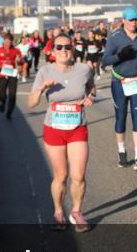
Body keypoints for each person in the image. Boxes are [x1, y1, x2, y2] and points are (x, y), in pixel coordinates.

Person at [28, 33, 96, 232]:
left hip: (77, 128)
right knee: (61, 175)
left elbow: (92, 87)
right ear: (52, 50)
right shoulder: (45, 71)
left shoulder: (83, 69)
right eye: (59, 47)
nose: (63, 50)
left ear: (73, 49)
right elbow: (32, 103)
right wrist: (42, 87)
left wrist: (90, 96)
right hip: (54, 130)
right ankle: (58, 212)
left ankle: (76, 212)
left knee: (79, 175)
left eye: (67, 47)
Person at [102, 7, 137, 169]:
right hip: (119, 82)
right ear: (123, 20)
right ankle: (122, 152)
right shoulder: (115, 37)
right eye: (130, 20)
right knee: (121, 117)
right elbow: (105, 60)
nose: (134, 22)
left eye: (136, 19)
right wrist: (120, 56)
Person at [0, 33, 23, 119]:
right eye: (6, 41)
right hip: (0, 74)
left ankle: (9, 113)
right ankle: (2, 102)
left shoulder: (16, 50)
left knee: (12, 95)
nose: (8, 43)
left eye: (10, 42)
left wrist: (20, 66)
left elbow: (20, 61)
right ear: (4, 41)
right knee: (2, 94)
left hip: (12, 73)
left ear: (12, 42)